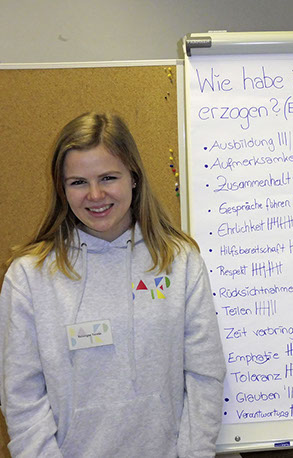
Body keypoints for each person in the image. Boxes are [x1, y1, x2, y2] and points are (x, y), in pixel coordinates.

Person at [0, 112, 226, 457]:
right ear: (62, 189)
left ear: (133, 177)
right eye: (78, 182)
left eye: (108, 177)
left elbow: (204, 375)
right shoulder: (29, 276)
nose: (95, 195)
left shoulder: (179, 262)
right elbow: (21, 397)